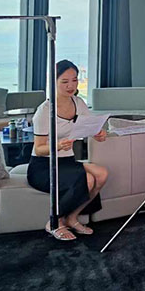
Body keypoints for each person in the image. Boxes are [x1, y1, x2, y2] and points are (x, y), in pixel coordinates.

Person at [27, 60, 109, 241]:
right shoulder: (44, 111)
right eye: (65, 81)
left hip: (67, 161)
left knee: (101, 173)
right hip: (43, 165)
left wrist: (99, 134)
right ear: (53, 82)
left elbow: (90, 128)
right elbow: (39, 149)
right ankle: (54, 222)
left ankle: (72, 217)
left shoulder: (78, 103)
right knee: (87, 179)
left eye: (74, 80)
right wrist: (57, 146)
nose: (71, 86)